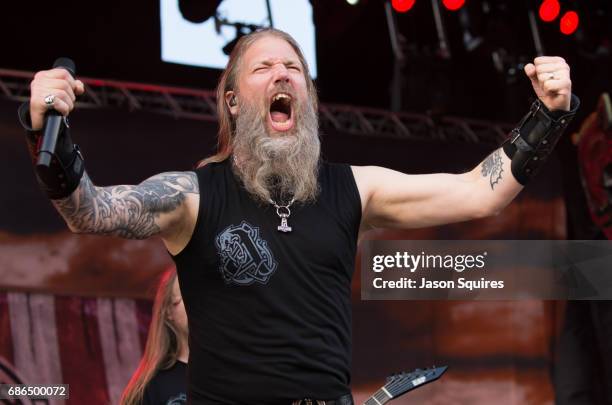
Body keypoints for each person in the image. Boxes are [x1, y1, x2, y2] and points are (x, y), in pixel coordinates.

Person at [19, 28, 579, 404]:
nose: (282, 74)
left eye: (293, 67)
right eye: (263, 67)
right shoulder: (193, 195)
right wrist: (44, 128)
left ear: (307, 96)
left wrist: (548, 116)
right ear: (234, 100)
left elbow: (477, 194)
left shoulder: (354, 189)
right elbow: (89, 212)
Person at [121, 267, 189, 405]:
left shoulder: (234, 370)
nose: (197, 303)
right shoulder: (151, 386)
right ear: (169, 311)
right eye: (187, 294)